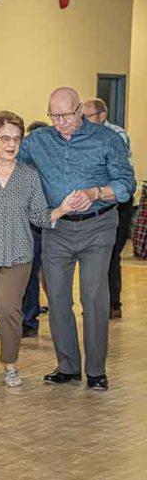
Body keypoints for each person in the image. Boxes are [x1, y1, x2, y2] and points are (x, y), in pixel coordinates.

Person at [0, 87, 135, 390]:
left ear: (79, 110)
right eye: (54, 116)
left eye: (66, 115)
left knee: (94, 297)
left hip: (98, 225)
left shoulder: (106, 139)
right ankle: (68, 365)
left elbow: (126, 183)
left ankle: (95, 370)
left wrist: (96, 192)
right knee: (57, 297)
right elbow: (3, 147)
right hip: (56, 227)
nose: (60, 122)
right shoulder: (41, 140)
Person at [0, 111, 84, 387]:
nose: (10, 145)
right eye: (4, 139)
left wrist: (61, 209)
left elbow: (38, 216)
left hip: (18, 255)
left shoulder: (28, 175)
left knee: (9, 309)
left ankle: (10, 364)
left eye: (16, 139)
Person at [84, 98, 135, 319]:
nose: (83, 122)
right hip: (94, 200)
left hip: (117, 200)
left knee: (111, 253)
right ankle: (95, 304)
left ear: (102, 116)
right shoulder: (83, 136)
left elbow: (113, 169)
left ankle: (112, 304)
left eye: (87, 117)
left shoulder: (115, 135)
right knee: (93, 256)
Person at [20, 121, 53, 337]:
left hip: (43, 225)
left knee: (35, 273)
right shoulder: (22, 165)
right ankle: (24, 319)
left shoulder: (49, 167)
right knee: (25, 273)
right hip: (24, 224)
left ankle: (29, 320)